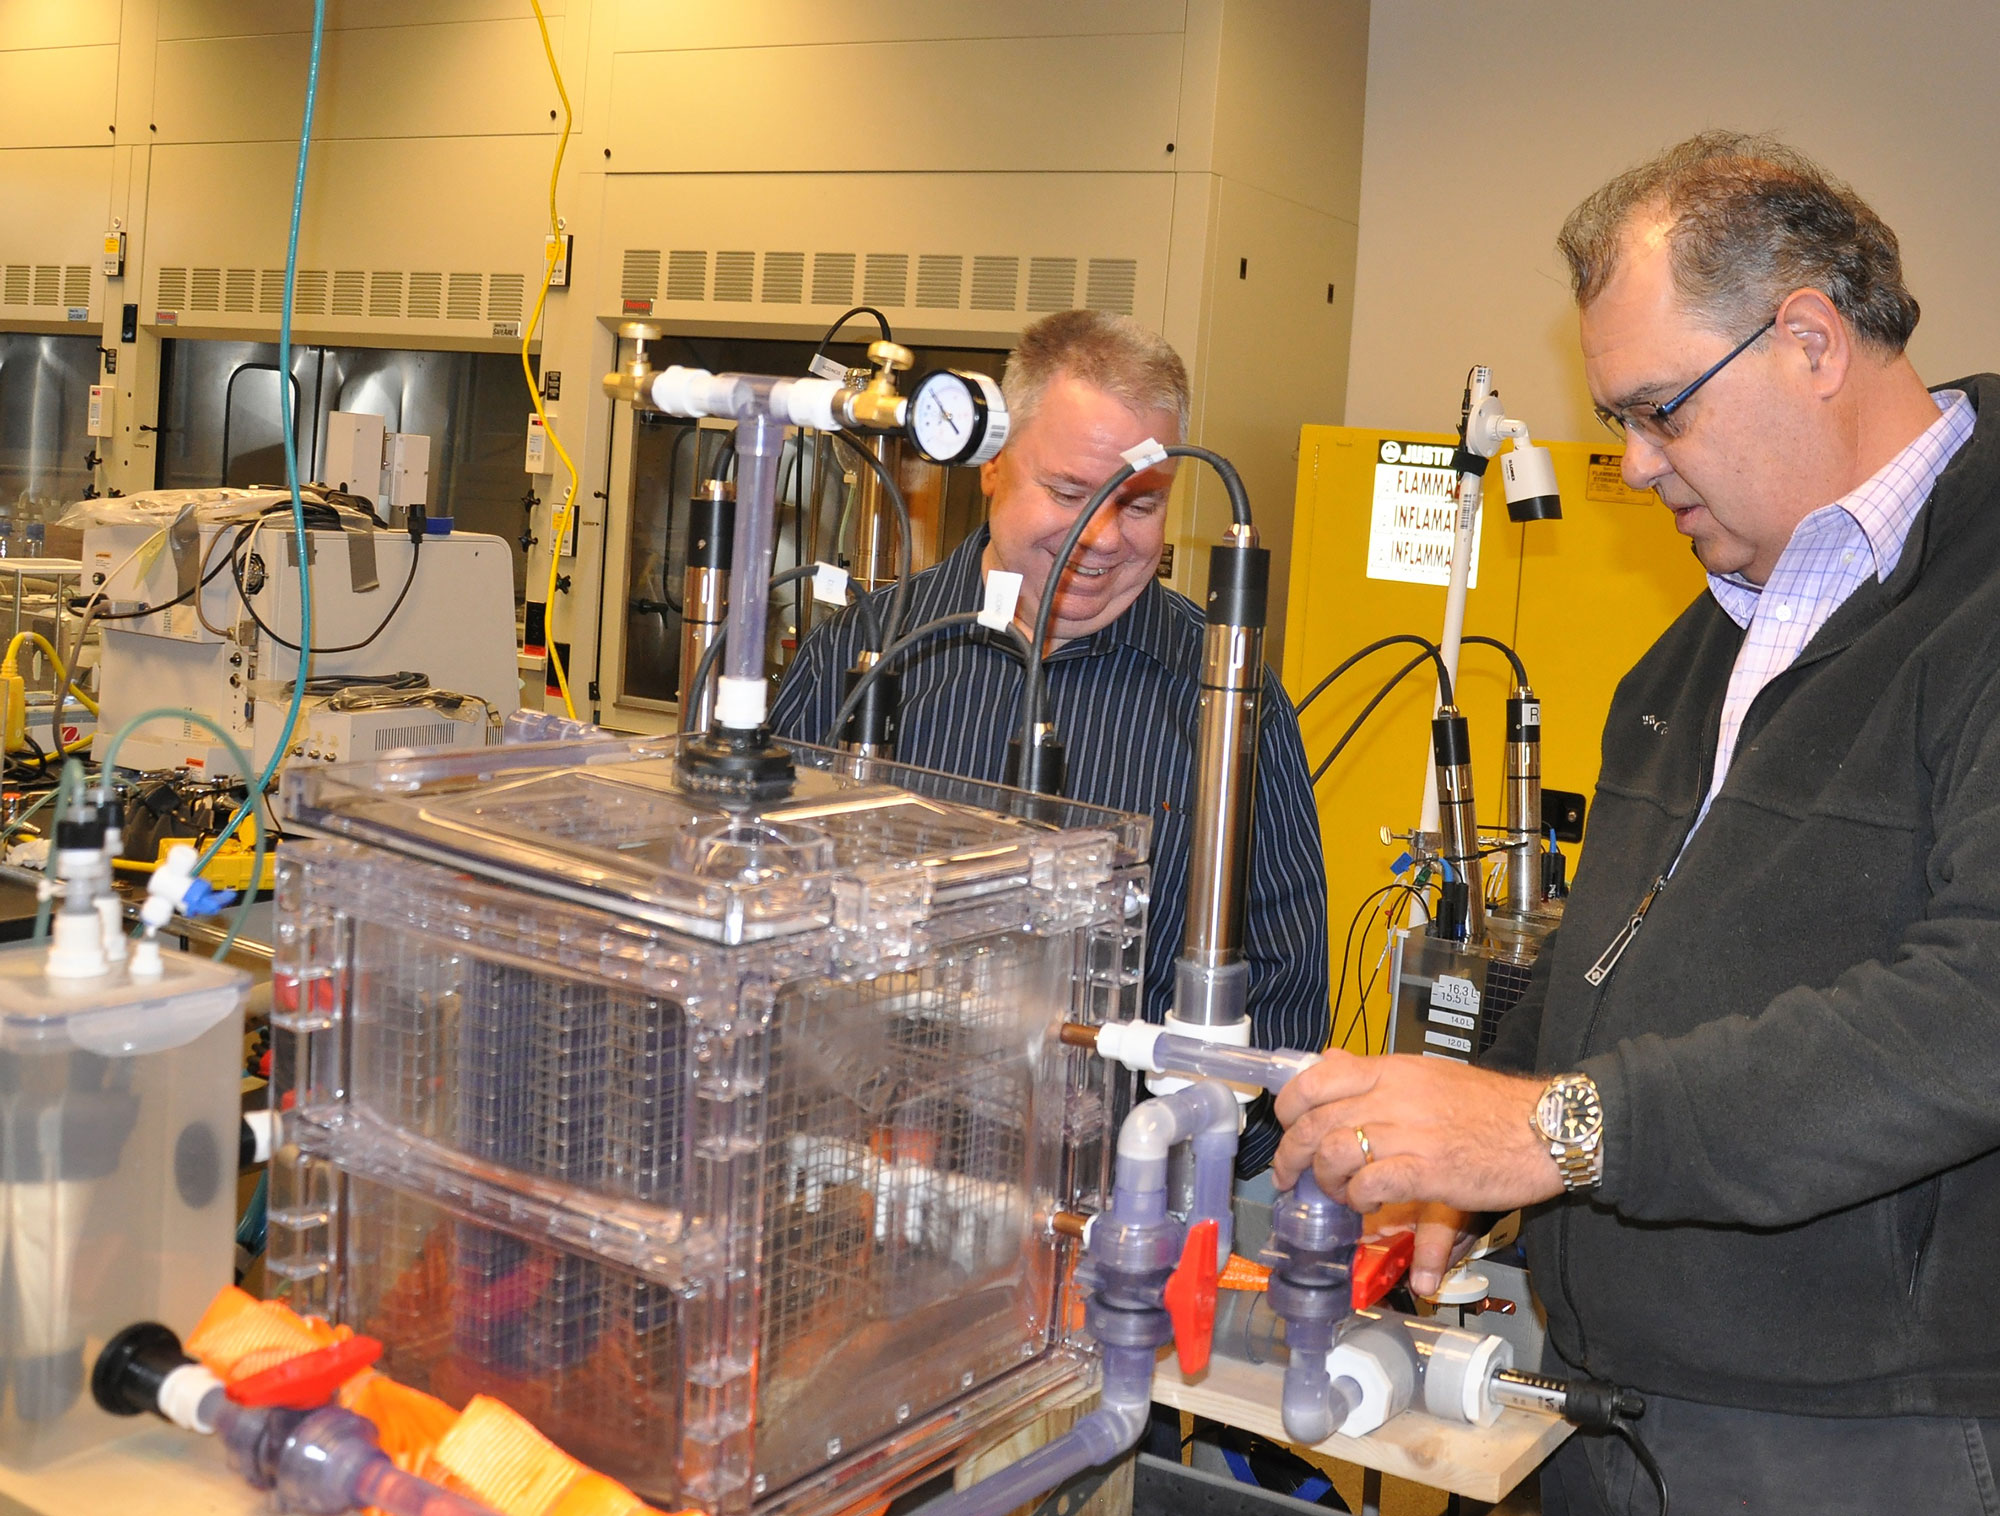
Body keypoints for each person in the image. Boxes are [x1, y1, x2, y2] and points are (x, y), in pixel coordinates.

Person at [1273, 131, 2000, 1510]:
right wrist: (1463, 1144)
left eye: (1661, 409)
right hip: (1602, 1407)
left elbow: (1975, 1009)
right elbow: (1609, 965)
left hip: (1856, 1437)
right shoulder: (1692, 657)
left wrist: (1551, 1131)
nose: (1633, 463)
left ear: (1811, 340)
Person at [771, 309, 1329, 1174]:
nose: (1100, 538)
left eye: (1138, 504)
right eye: (1068, 494)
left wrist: (1156, 1170)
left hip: (1114, 1211)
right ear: (991, 464)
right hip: (859, 1181)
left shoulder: (1227, 703)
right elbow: (762, 941)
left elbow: (1283, 1020)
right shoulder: (863, 655)